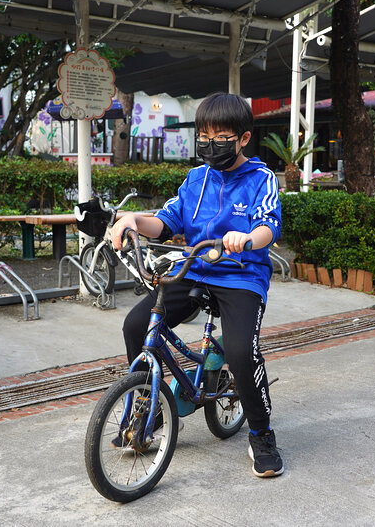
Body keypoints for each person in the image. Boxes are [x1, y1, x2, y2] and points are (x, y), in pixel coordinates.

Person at [110, 92, 283, 478]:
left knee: (241, 353)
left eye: (221, 135)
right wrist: (133, 220)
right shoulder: (195, 178)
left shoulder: (261, 179)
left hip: (241, 276)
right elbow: (166, 223)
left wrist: (248, 238)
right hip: (194, 269)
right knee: (137, 325)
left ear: (243, 138)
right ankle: (151, 410)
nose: (210, 142)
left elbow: (269, 225)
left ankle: (262, 435)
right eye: (204, 134)